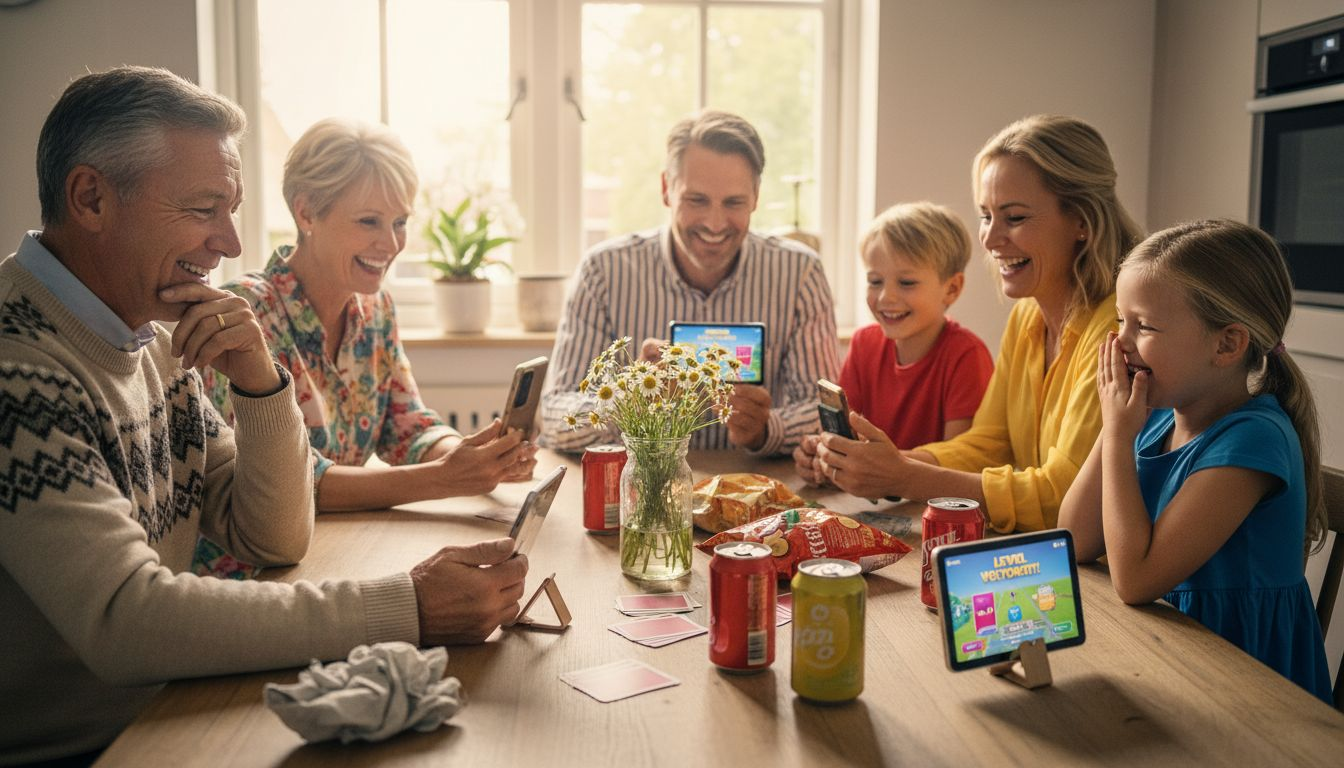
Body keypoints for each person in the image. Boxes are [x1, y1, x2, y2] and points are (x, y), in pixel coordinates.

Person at [0, 67, 527, 765]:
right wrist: (409, 606)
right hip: (88, 748)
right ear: (91, 197)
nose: (231, 243)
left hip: (170, 705)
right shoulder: (19, 365)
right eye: (202, 208)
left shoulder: (155, 338)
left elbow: (271, 537)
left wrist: (260, 384)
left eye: (232, 209)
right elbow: (126, 618)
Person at [816, 115, 1143, 531]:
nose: (989, 240)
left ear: (1082, 220)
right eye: (986, 216)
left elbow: (1065, 494)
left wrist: (904, 476)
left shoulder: (1117, 330)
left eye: (1015, 218)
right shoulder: (1029, 313)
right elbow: (993, 443)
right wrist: (892, 464)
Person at [202, 118, 536, 525]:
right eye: (369, 221)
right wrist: (443, 480)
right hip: (251, 568)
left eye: (400, 222)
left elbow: (406, 427)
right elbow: (284, 483)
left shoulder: (376, 310)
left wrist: (477, 457)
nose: (391, 243)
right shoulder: (243, 313)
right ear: (306, 212)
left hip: (339, 543)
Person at [1058, 220, 1332, 702]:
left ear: (1226, 344)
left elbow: (1136, 580)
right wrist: (1114, 428)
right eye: (1121, 321)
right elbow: (1076, 540)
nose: (1121, 342)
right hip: (1169, 648)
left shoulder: (1253, 442)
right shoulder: (1160, 418)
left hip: (1244, 679)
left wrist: (1121, 435)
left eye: (1143, 326)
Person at [540, 109, 840, 455]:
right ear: (667, 189)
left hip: (754, 494)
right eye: (697, 200)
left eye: (734, 203)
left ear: (756, 197)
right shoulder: (603, 272)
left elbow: (824, 414)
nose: (715, 223)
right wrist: (628, 401)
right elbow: (553, 416)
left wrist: (766, 429)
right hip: (639, 491)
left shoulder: (800, 273)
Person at [794, 202, 993, 485]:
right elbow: (845, 437)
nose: (886, 296)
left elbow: (960, 466)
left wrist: (878, 469)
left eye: (907, 283)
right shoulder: (864, 343)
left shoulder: (966, 356)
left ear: (952, 289)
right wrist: (823, 456)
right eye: (875, 281)